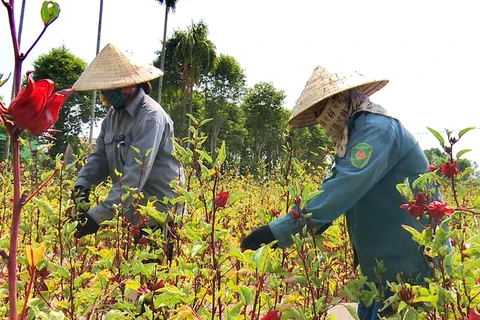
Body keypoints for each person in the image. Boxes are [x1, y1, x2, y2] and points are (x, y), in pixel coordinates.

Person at [240, 65, 434, 319]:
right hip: (380, 272)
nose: (322, 119)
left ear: (341, 100)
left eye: (322, 110)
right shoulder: (353, 138)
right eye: (317, 114)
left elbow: (343, 187)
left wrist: (277, 231)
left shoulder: (377, 131)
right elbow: (333, 190)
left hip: (411, 268)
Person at [70, 44, 184, 248]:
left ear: (128, 85)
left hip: (159, 212)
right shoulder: (112, 117)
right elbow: (100, 158)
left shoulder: (150, 117)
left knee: (154, 271)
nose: (106, 93)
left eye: (110, 87)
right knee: (134, 269)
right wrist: (82, 184)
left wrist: (96, 217)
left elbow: (135, 175)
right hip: (135, 210)